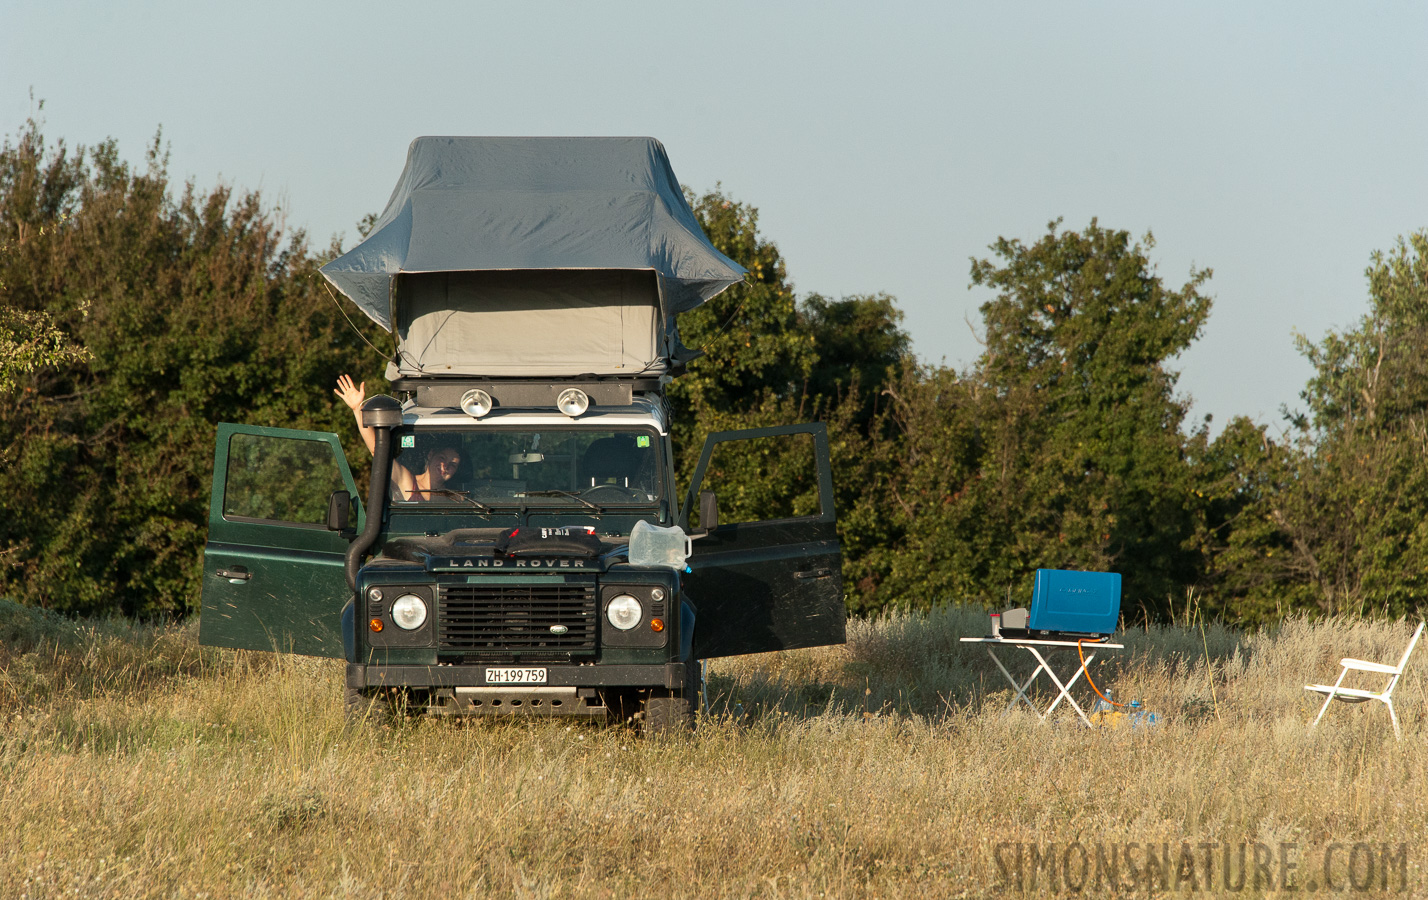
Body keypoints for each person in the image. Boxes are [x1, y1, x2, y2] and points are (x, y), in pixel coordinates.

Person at [334, 374, 461, 501]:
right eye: (442, 458)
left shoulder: (455, 498)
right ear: (431, 454)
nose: (445, 466)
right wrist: (358, 409)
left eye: (453, 464)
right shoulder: (408, 482)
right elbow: (378, 452)